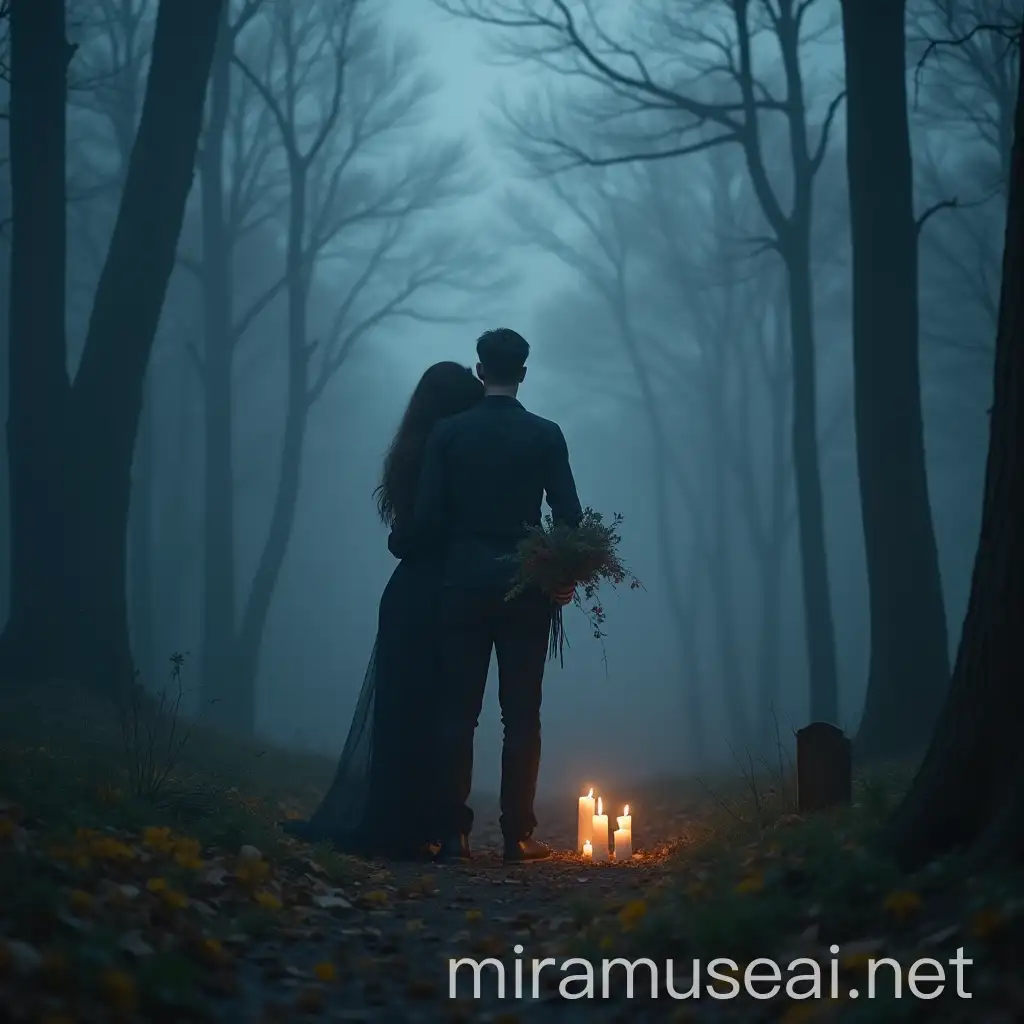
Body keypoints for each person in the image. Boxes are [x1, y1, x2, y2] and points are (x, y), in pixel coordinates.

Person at [282, 362, 484, 859]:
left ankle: (404, 822)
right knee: (443, 709)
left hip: (413, 590)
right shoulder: (458, 454)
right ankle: (428, 825)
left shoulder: (412, 451)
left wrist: (405, 538)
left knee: (404, 707)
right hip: (444, 588)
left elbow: (406, 533)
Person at [414, 328, 581, 864]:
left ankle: (451, 836)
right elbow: (569, 517)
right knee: (522, 715)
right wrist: (561, 574)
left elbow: (429, 518)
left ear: (480, 371)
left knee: (457, 712)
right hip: (525, 590)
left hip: (460, 586)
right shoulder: (545, 434)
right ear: (523, 373)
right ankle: (517, 835)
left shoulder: (447, 434)